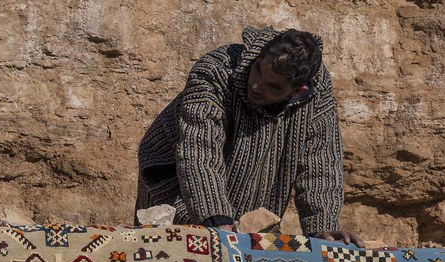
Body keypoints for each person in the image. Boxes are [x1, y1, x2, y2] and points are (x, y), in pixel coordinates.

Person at [136, 26, 364, 246]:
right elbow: (199, 148)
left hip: (252, 187)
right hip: (177, 183)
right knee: (171, 255)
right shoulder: (215, 71)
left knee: (240, 260)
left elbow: (320, 164)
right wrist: (216, 218)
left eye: (272, 86)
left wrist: (322, 227)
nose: (255, 85)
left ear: (298, 91)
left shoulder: (317, 94)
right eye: (257, 70)